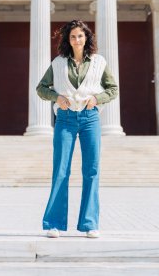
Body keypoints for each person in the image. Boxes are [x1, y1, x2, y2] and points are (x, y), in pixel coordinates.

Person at [36, 19, 118, 238]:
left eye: (80, 36)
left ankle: (90, 223)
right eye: (73, 36)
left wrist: (97, 98)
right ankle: (54, 224)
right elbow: (41, 88)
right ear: (68, 40)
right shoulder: (59, 62)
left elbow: (113, 89)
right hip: (65, 119)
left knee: (92, 170)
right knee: (61, 170)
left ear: (86, 37)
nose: (77, 40)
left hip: (90, 118)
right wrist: (56, 97)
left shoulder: (99, 62)